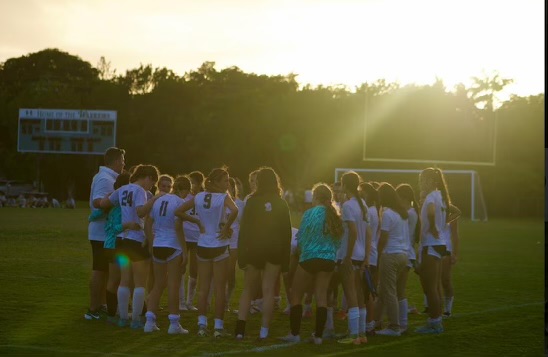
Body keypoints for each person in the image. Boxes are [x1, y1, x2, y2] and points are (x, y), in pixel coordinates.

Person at [175, 167, 238, 338]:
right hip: (219, 244)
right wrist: (226, 228)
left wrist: (196, 221)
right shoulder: (224, 197)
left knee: (203, 289)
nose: (227, 183)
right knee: (219, 288)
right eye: (225, 180)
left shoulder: (199, 196)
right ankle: (218, 327)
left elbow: (178, 211)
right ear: (216, 182)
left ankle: (202, 325)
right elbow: (235, 211)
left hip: (203, 244)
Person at [100, 164, 162, 329]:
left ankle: (122, 319)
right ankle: (135, 320)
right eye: (152, 182)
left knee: (125, 280)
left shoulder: (123, 189)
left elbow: (105, 203)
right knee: (140, 282)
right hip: (136, 239)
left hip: (121, 239)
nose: (151, 186)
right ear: (147, 177)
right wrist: (155, 199)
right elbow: (141, 212)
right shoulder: (140, 191)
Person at [280, 183, 343, 345]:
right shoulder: (334, 215)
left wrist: (302, 251)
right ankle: (319, 336)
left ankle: (294, 333)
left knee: (296, 295)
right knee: (321, 297)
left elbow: (301, 238)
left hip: (310, 257)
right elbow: (338, 240)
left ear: (315, 197)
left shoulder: (309, 213)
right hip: (328, 259)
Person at [234, 167, 292, 340]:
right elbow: (286, 233)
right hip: (274, 249)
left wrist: (241, 255)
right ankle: (264, 331)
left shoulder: (252, 201)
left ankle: (240, 330)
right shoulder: (281, 203)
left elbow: (244, 230)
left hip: (254, 249)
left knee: (248, 290)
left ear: (259, 182)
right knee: (268, 291)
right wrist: (286, 260)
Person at [415, 167, 460, 334]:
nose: (420, 184)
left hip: (431, 244)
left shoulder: (431, 197)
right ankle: (436, 320)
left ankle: (435, 323)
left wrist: (434, 227)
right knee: (435, 287)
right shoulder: (441, 196)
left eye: (422, 180)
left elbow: (432, 212)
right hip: (439, 243)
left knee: (430, 287)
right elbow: (451, 213)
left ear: (431, 181)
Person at [144, 175, 190, 334]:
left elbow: (148, 223)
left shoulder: (158, 200)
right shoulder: (180, 202)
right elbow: (178, 227)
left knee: (158, 284)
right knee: (173, 285)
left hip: (158, 244)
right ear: (185, 190)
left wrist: (151, 243)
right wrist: (185, 251)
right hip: (173, 245)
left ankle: (149, 322)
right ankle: (174, 323)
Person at [85, 147, 125, 320]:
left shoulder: (107, 176)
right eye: (123, 161)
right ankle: (93, 309)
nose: (124, 164)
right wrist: (114, 199)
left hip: (105, 233)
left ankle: (100, 304)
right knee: (100, 271)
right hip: (101, 233)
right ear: (116, 161)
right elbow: (98, 202)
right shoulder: (104, 178)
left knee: (105, 271)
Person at [336, 171, 372, 345]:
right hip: (361, 255)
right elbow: (369, 233)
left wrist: (348, 257)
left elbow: (353, 231)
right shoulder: (363, 204)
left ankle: (354, 335)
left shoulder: (349, 205)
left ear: (344, 185)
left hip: (350, 255)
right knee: (358, 294)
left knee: (351, 294)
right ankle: (362, 333)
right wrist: (365, 256)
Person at [374, 183, 409, 337]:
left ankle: (394, 327)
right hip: (402, 255)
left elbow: (383, 238)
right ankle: (375, 322)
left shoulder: (387, 213)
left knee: (389, 292)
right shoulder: (401, 213)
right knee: (382, 291)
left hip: (390, 255)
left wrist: (377, 254)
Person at [395, 183, 421, 329]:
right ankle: (400, 321)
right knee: (398, 289)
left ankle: (402, 323)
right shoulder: (410, 212)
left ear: (403, 197)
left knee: (399, 290)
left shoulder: (409, 214)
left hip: (405, 253)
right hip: (406, 253)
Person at [179, 171, 205, 312]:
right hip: (184, 236)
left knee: (194, 270)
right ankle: (181, 302)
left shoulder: (202, 197)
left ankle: (190, 302)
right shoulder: (184, 197)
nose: (194, 186)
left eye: (197, 183)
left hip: (196, 237)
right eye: (192, 182)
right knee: (181, 268)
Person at [358, 182, 380, 335]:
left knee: (367, 290)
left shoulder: (370, 211)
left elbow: (368, 234)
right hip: (371, 253)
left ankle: (370, 322)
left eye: (362, 192)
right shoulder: (373, 210)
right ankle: (370, 321)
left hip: (369, 254)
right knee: (367, 289)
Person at [225, 177, 245, 312]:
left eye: (229, 186)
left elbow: (243, 224)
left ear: (233, 188)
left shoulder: (240, 203)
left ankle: (226, 300)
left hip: (234, 241)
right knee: (220, 273)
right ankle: (219, 301)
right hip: (221, 240)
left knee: (230, 272)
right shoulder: (220, 201)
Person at [440, 210, 460, 317]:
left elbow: (455, 236)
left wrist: (455, 253)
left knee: (445, 280)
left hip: (446, 249)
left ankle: (447, 310)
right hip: (432, 248)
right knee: (432, 280)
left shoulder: (451, 214)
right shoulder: (430, 209)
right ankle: (430, 308)